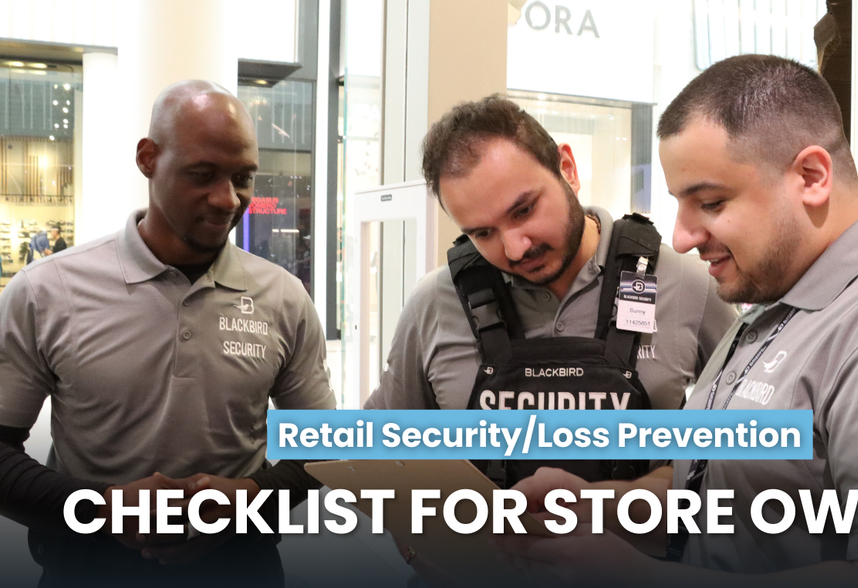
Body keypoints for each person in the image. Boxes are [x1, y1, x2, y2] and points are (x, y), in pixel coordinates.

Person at [494, 55, 858, 587]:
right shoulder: (769, 312)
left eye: (709, 203)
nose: (683, 236)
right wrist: (601, 508)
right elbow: (721, 495)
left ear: (811, 176)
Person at [0, 80, 336, 587]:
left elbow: (326, 447)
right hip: (88, 570)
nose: (227, 199)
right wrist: (102, 508)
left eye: (243, 177)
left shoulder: (283, 297)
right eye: (202, 175)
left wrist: (246, 499)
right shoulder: (46, 290)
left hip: (241, 570)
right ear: (148, 158)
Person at [365, 95, 734, 487]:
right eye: (482, 233)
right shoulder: (434, 305)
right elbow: (380, 452)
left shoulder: (689, 285)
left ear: (567, 169)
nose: (514, 248)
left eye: (523, 211)